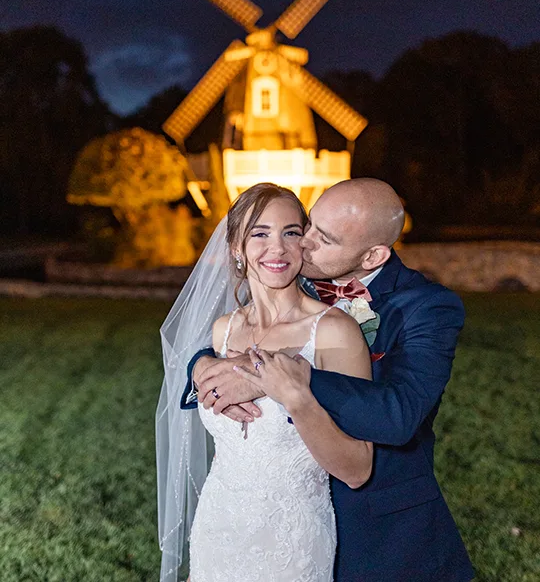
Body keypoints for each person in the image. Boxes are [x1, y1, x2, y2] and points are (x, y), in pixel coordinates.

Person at [184, 178, 475, 582]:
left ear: (372, 255)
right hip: (234, 522)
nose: (300, 244)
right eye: (308, 226)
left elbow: (399, 414)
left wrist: (278, 379)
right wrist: (199, 367)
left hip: (377, 530)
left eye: (322, 237)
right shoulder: (290, 273)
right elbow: (233, 337)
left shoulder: (425, 308)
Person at [157, 183, 375, 582]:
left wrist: (294, 396)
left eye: (291, 232)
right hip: (217, 529)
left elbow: (357, 469)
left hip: (291, 543)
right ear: (237, 247)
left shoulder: (332, 332)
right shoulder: (224, 331)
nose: (277, 247)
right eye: (260, 233)